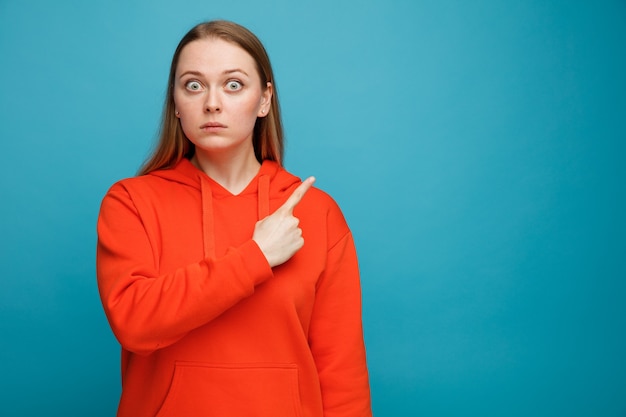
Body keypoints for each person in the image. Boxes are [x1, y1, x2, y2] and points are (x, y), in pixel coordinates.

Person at [96, 20, 372, 417]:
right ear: (175, 102)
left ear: (264, 100)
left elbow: (341, 372)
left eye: (233, 84)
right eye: (193, 85)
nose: (211, 102)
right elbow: (135, 323)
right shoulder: (132, 202)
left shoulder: (315, 212)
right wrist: (255, 256)